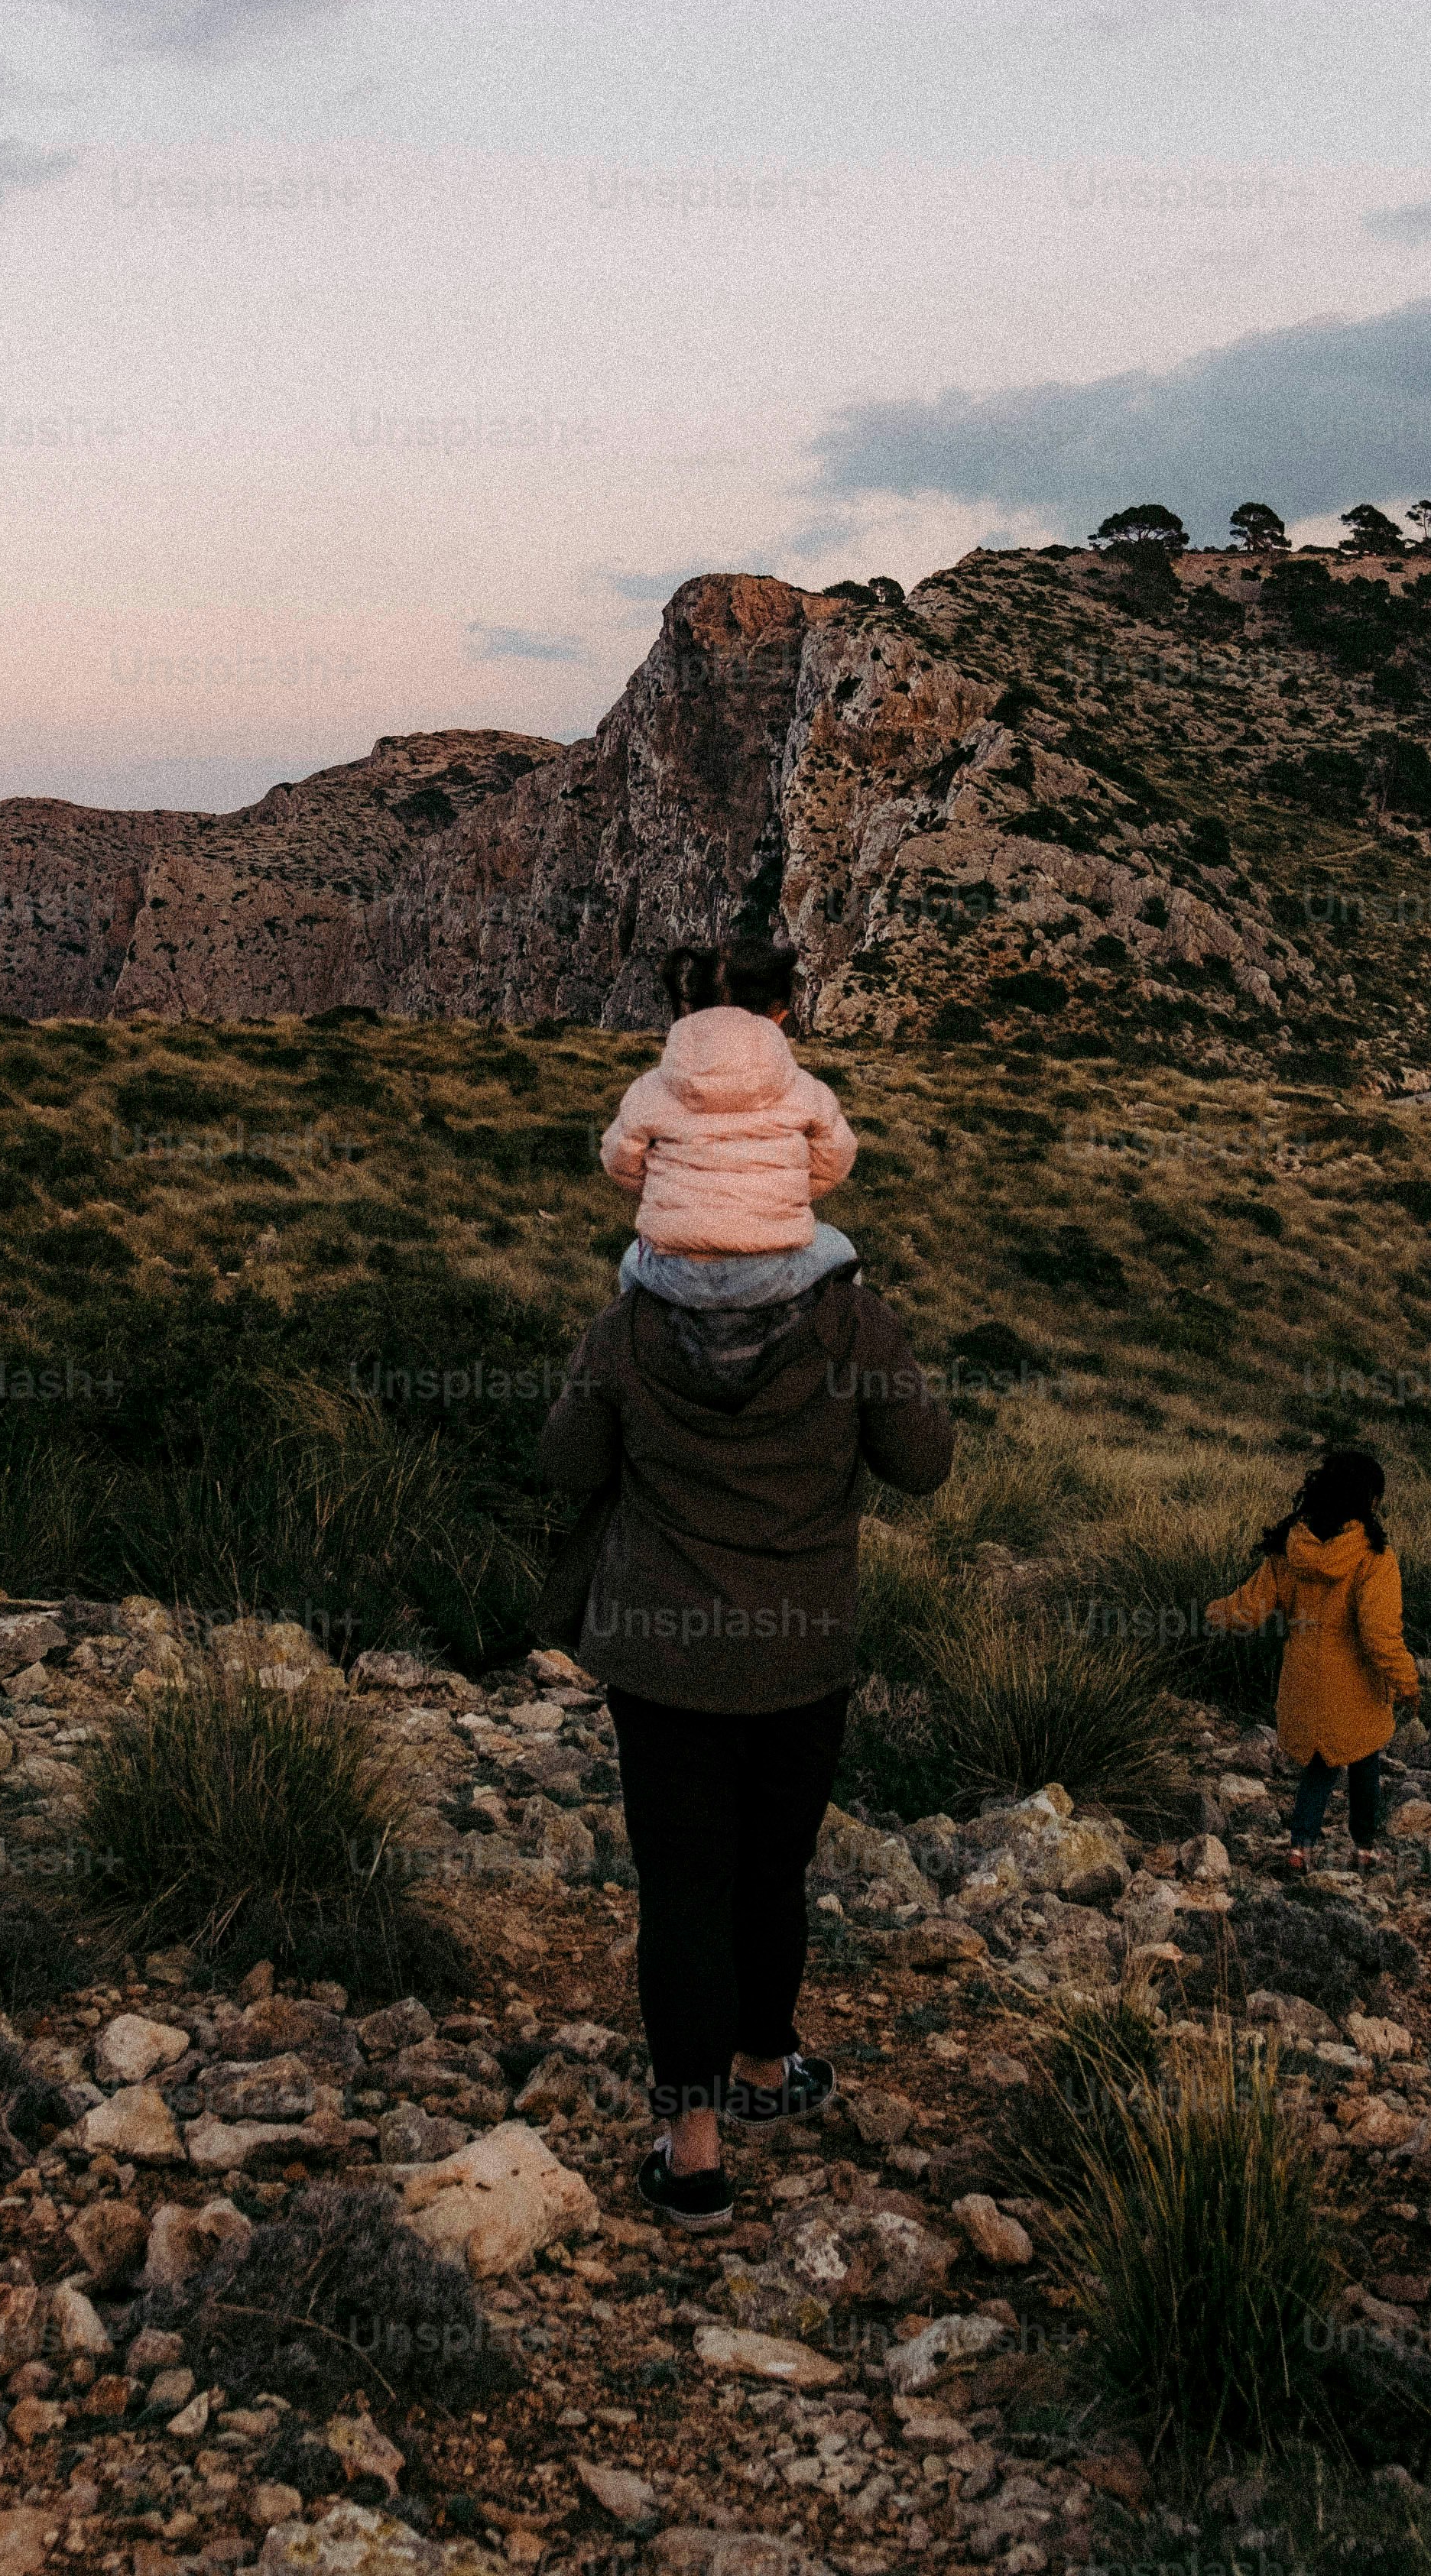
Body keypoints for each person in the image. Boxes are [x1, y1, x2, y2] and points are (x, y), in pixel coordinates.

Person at [540, 944, 951, 2231]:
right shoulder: (852, 1320)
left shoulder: (626, 1328)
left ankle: (698, 2148)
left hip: (661, 1656)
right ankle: (769, 2063)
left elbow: (559, 1464)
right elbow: (925, 1464)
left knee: (682, 1887)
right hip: (800, 1651)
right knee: (775, 1868)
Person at [599, 937, 860, 1314]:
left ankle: (638, 1335)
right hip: (773, 1272)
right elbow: (837, 1157)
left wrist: (667, 1188)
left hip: (676, 1272)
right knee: (841, 1251)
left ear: (693, 1008)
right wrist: (782, 1193)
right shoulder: (806, 1089)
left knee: (630, 1263)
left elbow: (618, 1161)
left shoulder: (650, 1089)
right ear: (780, 1015)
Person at [1210, 1449, 1417, 1878]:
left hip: (1304, 1683)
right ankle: (1365, 1849)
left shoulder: (1291, 1552)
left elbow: (1248, 1609)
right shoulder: (1374, 1558)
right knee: (1365, 1761)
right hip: (1356, 1686)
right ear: (1368, 1500)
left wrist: (1206, 1612)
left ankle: (1299, 1852)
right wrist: (1406, 1681)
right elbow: (1379, 1633)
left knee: (1319, 1766)